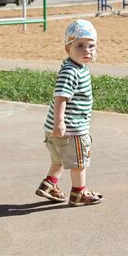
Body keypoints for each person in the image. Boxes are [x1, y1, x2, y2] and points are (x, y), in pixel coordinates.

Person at [35, 19, 103, 207]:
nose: (86, 50)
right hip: (71, 130)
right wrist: (60, 123)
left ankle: (50, 184)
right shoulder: (71, 71)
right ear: (68, 49)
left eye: (91, 46)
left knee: (59, 161)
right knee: (79, 163)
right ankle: (79, 193)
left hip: (56, 131)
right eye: (80, 45)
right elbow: (61, 97)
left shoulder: (76, 68)